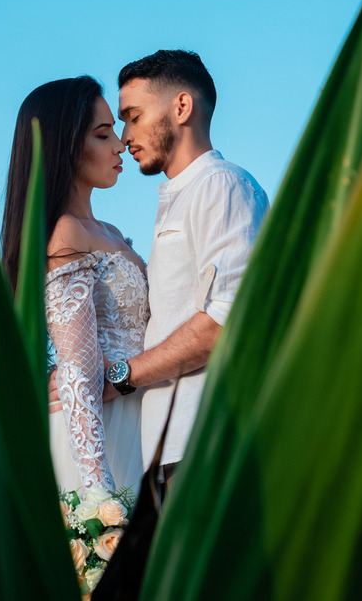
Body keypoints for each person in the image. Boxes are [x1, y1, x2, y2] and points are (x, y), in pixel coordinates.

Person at [104, 50, 268, 493]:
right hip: (163, 449)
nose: (124, 137)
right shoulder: (184, 194)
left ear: (181, 107)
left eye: (133, 117)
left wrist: (121, 376)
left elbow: (224, 321)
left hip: (202, 445)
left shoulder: (221, 184)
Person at [0, 76, 149, 495]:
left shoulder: (112, 232)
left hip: (141, 415)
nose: (120, 145)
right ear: (65, 145)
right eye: (103, 135)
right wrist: (98, 495)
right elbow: (79, 370)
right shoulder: (66, 234)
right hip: (106, 434)